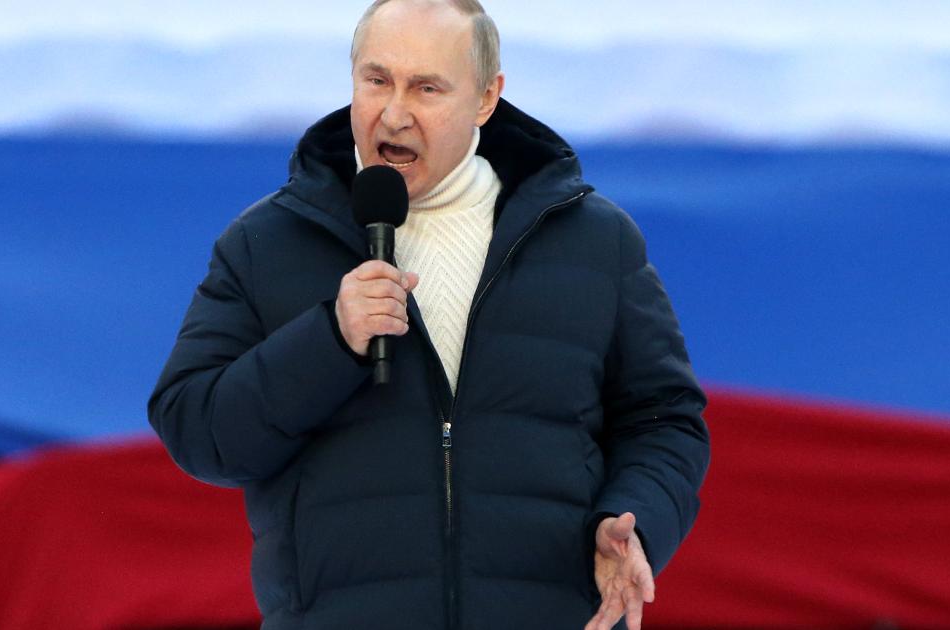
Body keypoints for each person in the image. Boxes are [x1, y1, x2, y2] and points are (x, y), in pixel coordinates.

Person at [148, 1, 710, 628]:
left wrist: (634, 520)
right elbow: (196, 431)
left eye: (426, 88)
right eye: (377, 80)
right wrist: (330, 339)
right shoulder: (267, 242)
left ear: (486, 98)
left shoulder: (592, 240)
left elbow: (664, 420)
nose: (394, 113)